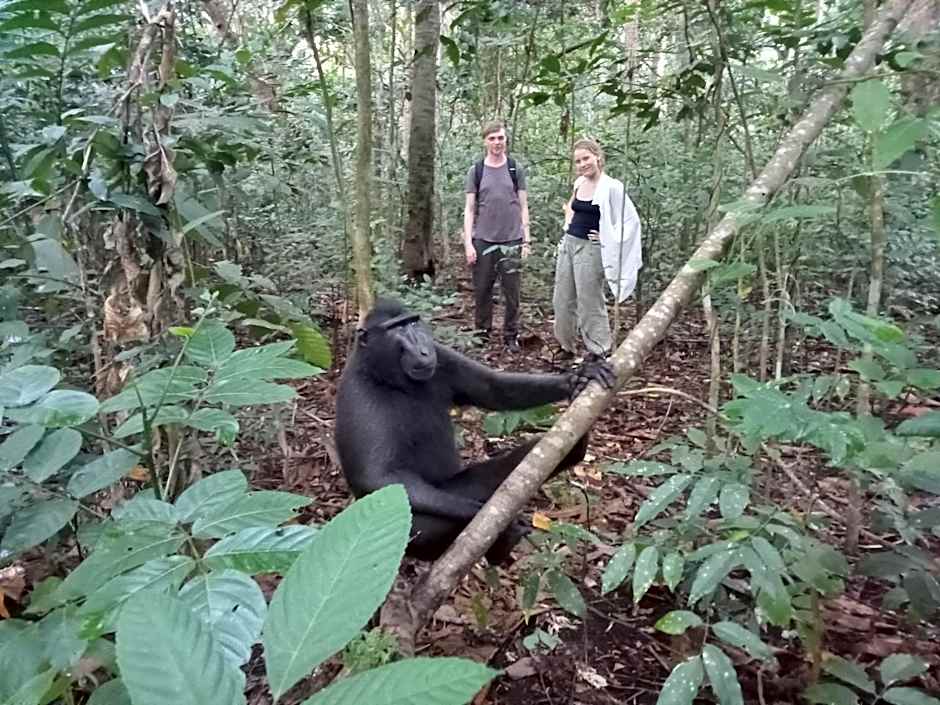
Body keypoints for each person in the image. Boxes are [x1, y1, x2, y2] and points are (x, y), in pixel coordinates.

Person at [553, 137, 642, 361]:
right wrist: (567, 226)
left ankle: (599, 350)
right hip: (569, 244)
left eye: (586, 158)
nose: (582, 164)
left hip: (590, 249)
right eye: (578, 161)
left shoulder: (612, 187)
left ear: (598, 157)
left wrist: (607, 236)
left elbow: (630, 221)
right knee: (562, 298)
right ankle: (566, 346)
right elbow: (571, 208)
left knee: (589, 300)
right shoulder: (579, 183)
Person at [463, 121, 531, 353]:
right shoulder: (476, 171)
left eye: (500, 138)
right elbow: (470, 209)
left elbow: (523, 206)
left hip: (512, 240)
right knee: (482, 290)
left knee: (512, 292)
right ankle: (482, 334)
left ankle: (511, 335)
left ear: (506, 139)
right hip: (483, 240)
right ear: (485, 141)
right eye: (492, 138)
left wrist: (526, 240)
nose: (497, 143)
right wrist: (468, 243)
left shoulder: (514, 168)